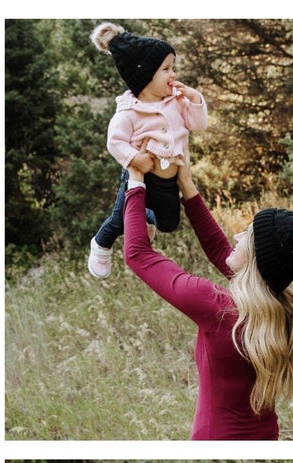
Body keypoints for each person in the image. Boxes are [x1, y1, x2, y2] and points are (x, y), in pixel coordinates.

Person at [122, 157, 293, 439]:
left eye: (246, 236)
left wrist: (135, 178)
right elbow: (222, 251)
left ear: (255, 258)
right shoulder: (280, 309)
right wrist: (186, 185)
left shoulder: (219, 309)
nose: (237, 236)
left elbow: (138, 255)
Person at [88, 22, 208, 279]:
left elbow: (198, 124)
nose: (173, 74)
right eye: (166, 69)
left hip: (168, 181)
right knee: (120, 219)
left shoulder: (177, 101)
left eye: (173, 67)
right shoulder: (128, 112)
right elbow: (115, 142)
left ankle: (146, 218)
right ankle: (101, 243)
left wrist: (195, 99)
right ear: (144, 76)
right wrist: (135, 158)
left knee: (169, 223)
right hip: (138, 178)